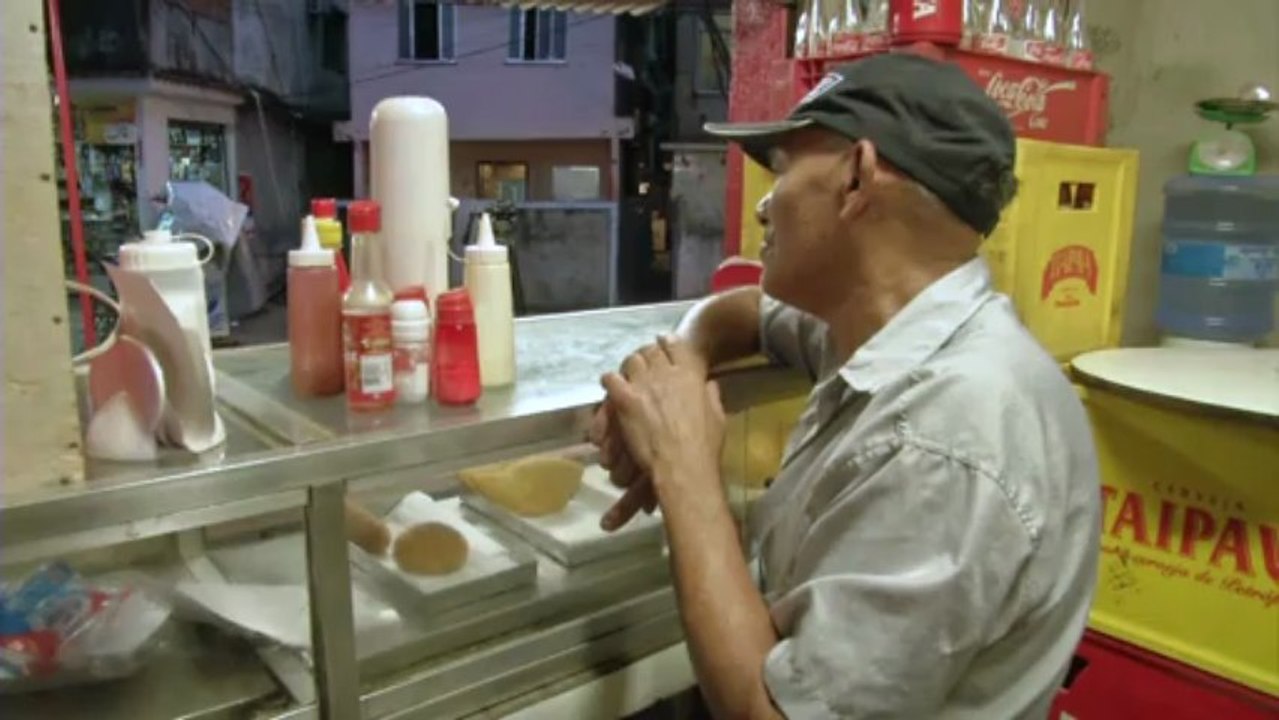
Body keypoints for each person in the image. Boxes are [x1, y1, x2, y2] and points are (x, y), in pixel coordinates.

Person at [590, 53, 1101, 719]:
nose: (765, 204)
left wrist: (682, 464)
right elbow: (742, 313)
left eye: (782, 170)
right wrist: (684, 363)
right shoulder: (894, 330)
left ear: (856, 178)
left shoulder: (947, 434)